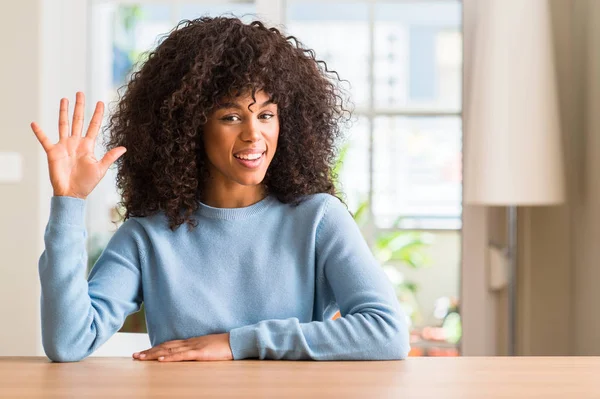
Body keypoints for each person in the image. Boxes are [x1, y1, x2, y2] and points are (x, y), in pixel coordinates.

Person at [31, 16, 410, 362]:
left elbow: (387, 333)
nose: (253, 134)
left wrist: (235, 342)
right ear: (188, 127)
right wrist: (70, 202)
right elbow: (69, 342)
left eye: (266, 115)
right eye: (231, 116)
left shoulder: (318, 219)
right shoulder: (148, 236)